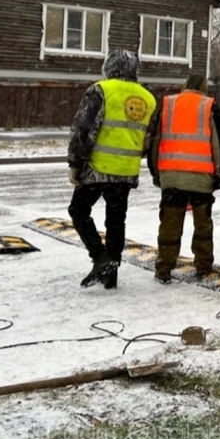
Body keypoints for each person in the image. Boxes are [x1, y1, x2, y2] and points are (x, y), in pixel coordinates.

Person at [67, 49, 156, 290]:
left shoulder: (101, 90)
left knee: (78, 210)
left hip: (97, 168)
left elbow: (84, 130)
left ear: (110, 67)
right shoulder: (148, 98)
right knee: (116, 221)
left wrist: (75, 163)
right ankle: (111, 273)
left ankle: (101, 258)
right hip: (126, 171)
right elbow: (149, 139)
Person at [146, 75, 220, 283]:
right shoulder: (210, 106)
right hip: (201, 179)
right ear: (203, 88)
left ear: (184, 86)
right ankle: (203, 265)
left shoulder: (167, 104)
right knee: (203, 225)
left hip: (172, 178)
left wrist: (156, 172)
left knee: (170, 225)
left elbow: (154, 141)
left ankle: (164, 267)